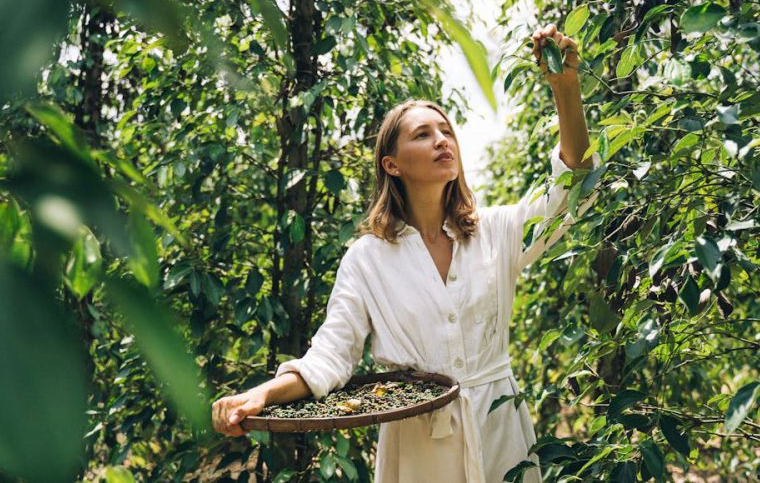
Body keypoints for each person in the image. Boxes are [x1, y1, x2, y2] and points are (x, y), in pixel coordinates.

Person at [212, 24, 602, 482]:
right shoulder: (367, 259)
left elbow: (573, 186)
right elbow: (330, 357)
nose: (442, 140)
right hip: (418, 447)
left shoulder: (494, 231)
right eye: (422, 134)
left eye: (446, 131)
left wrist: (566, 87)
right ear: (391, 165)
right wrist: (261, 394)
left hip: (500, 431)